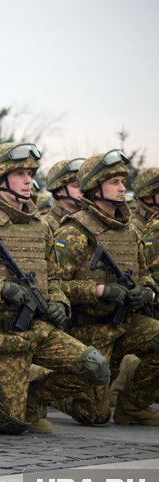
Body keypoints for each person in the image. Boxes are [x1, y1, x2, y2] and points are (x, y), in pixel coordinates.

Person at [0, 142, 110, 435]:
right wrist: (1, 289)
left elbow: (55, 278)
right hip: (1, 335)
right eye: (19, 173)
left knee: (95, 367)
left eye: (30, 172)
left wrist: (59, 302)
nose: (27, 179)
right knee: (8, 423)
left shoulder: (40, 226)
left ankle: (32, 399)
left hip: (40, 329)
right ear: (0, 178)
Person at [53, 151, 159, 426]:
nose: (123, 187)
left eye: (123, 181)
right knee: (95, 416)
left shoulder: (130, 231)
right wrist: (98, 291)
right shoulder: (74, 232)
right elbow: (54, 286)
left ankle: (133, 405)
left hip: (125, 321)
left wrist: (147, 292)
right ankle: (44, 388)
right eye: (114, 182)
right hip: (89, 327)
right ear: (95, 185)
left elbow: (145, 275)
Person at [43, 158, 84, 232]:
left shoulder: (90, 221)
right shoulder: (45, 225)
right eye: (76, 185)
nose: (83, 189)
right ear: (59, 190)